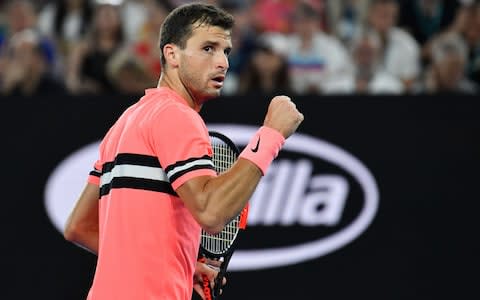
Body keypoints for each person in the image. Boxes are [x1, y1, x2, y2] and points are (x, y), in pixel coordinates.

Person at [64, 3, 303, 300]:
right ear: (172, 54)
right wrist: (271, 135)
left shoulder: (127, 121)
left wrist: (182, 265)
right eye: (208, 48)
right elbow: (211, 211)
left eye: (226, 51)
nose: (222, 63)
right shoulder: (178, 116)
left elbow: (79, 226)